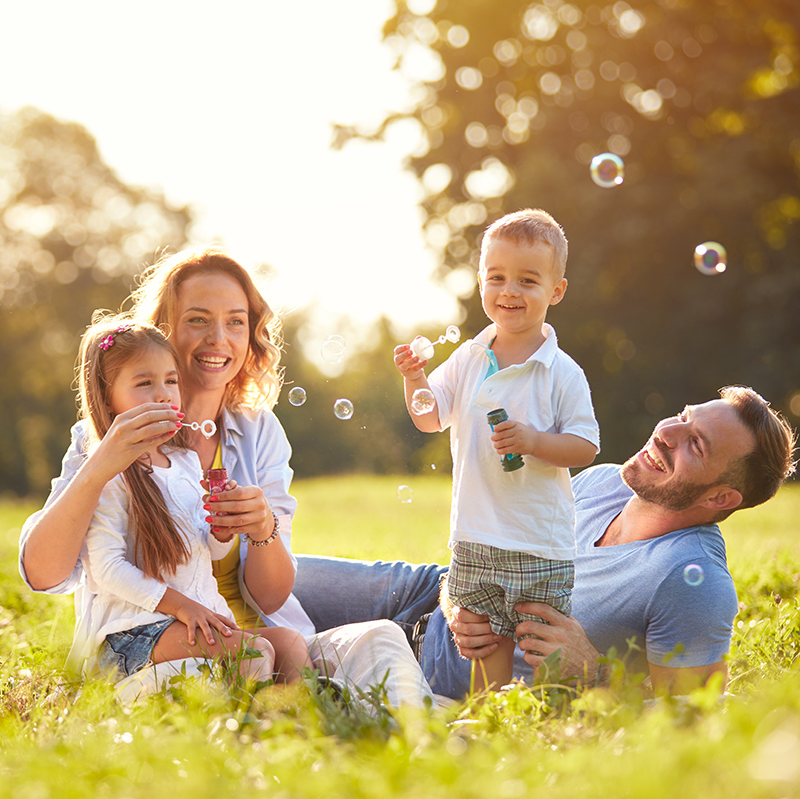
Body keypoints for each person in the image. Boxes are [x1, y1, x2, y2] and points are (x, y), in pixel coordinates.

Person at [19, 247, 434, 708]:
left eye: (236, 321)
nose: (219, 338)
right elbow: (43, 574)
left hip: (256, 634)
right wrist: (99, 465)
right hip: (158, 646)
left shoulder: (258, 431)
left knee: (380, 637)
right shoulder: (105, 437)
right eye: (198, 319)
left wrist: (262, 530)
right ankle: (314, 720)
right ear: (163, 332)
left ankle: (424, 738)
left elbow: (272, 595)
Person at [292, 386, 796, 697]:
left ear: (721, 496)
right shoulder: (603, 482)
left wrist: (595, 674)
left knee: (272, 655)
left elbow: (692, 724)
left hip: (447, 669)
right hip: (428, 590)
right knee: (259, 574)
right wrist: (455, 596)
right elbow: (495, 541)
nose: (667, 431)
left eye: (696, 444)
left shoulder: (694, 582)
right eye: (684, 416)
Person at [392, 208, 600, 690]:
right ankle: (490, 719)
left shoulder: (561, 372)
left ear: (556, 291)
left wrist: (533, 441)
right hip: (475, 533)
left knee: (542, 640)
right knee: (484, 640)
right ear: (481, 280)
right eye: (497, 277)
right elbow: (428, 416)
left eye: (528, 280)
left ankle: (555, 715)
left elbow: (585, 446)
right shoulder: (468, 357)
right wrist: (415, 378)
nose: (509, 291)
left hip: (537, 540)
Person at [71, 316, 311, 684]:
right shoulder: (106, 472)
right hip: (132, 633)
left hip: (187, 620)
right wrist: (182, 606)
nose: (164, 394)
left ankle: (299, 728)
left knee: (289, 642)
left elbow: (209, 553)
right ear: (107, 396)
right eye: (144, 383)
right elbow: (107, 568)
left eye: (170, 381)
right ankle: (248, 735)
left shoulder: (184, 462)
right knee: (254, 651)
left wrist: (221, 529)